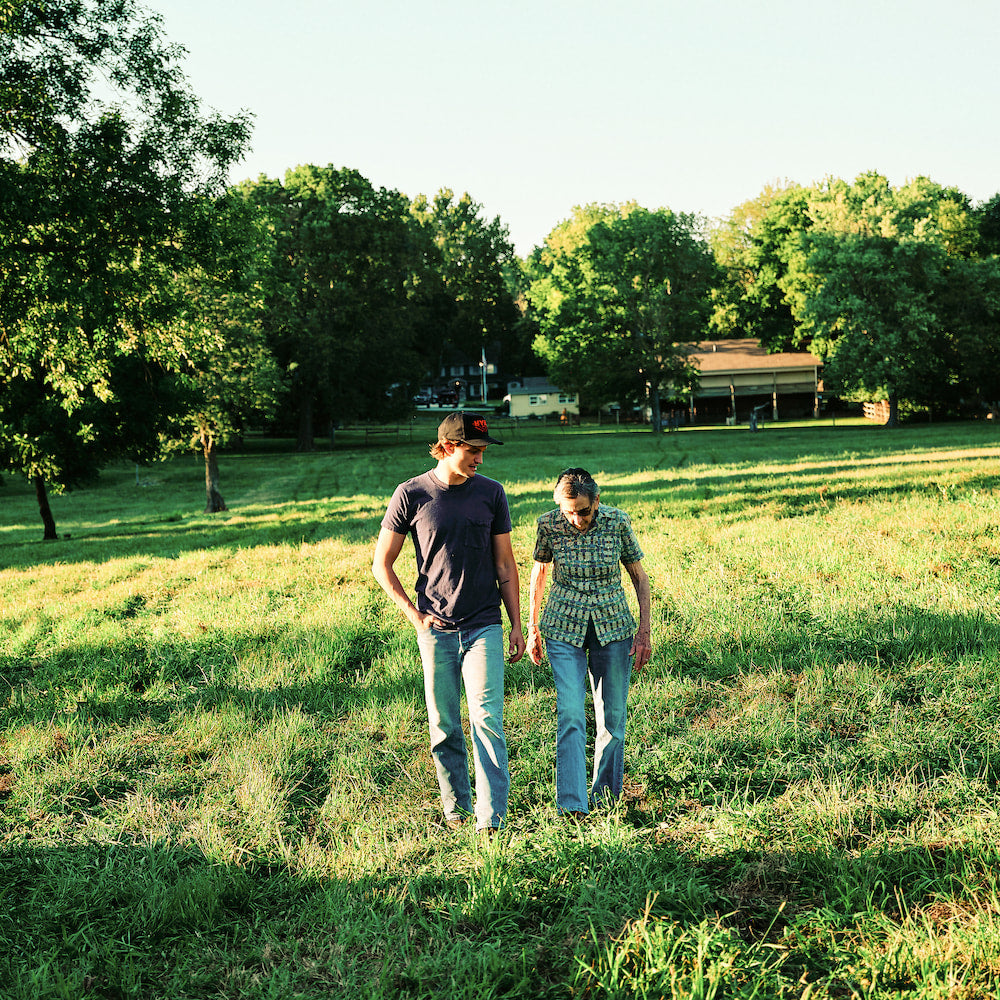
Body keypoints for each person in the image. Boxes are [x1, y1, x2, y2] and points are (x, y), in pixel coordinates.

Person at [372, 411, 525, 833]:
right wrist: (413, 614)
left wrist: (515, 624)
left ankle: (491, 818)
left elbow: (506, 566)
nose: (480, 458)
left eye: (482, 450)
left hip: (484, 624)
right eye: (473, 450)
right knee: (444, 724)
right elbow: (381, 564)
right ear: (446, 447)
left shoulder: (491, 494)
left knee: (487, 719)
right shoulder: (411, 494)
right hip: (435, 628)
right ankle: (456, 809)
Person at [527, 468, 651, 817]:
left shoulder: (617, 522)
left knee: (612, 718)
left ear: (597, 501)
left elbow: (639, 578)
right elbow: (539, 574)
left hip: (612, 627)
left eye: (583, 511)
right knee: (570, 713)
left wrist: (644, 632)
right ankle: (572, 804)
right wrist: (532, 626)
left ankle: (605, 798)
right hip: (563, 626)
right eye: (569, 512)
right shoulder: (548, 524)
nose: (576, 519)